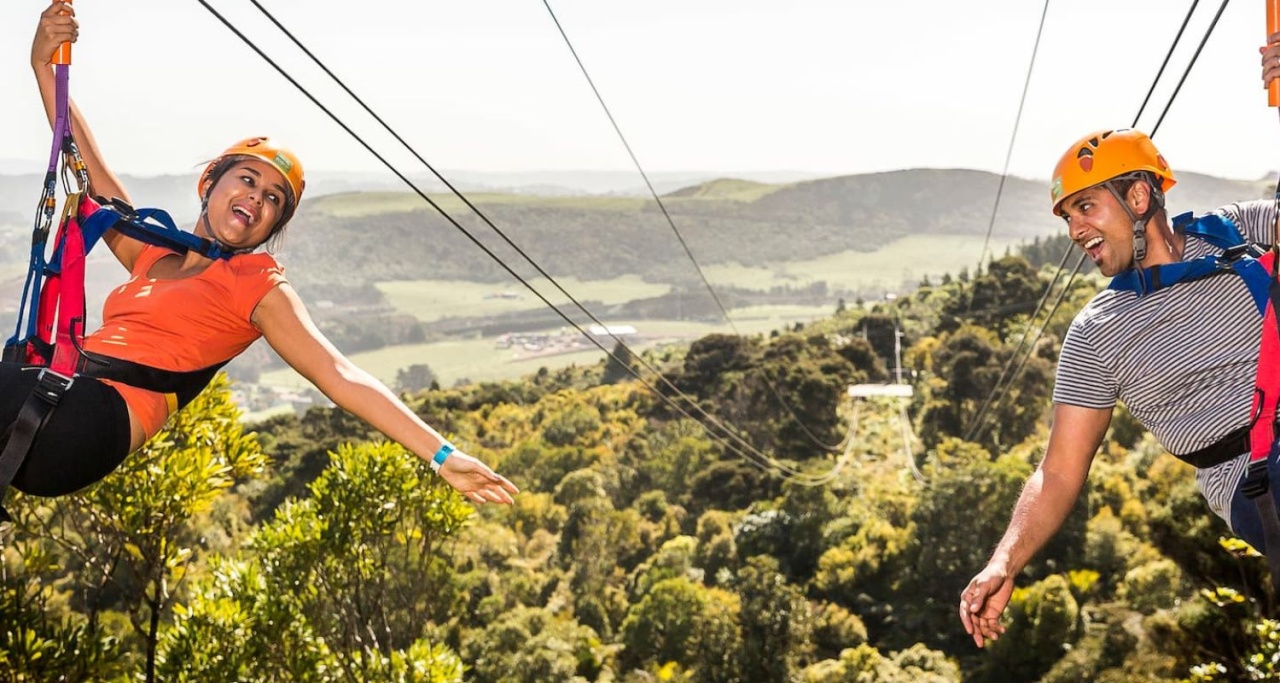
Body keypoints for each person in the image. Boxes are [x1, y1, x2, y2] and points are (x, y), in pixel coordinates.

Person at [3, 2, 518, 508]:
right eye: (247, 179)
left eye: (273, 198)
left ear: (273, 224)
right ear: (210, 184)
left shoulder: (260, 286)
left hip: (83, 424)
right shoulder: (155, 254)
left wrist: (440, 453)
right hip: (51, 402)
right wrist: (44, 66)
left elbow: (339, 375)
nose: (256, 196)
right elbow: (87, 163)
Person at [959, 38, 1280, 648]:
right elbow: (1057, 472)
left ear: (1138, 196)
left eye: (1085, 206)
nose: (1076, 229)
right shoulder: (1097, 334)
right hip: (1259, 477)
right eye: (1067, 217)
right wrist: (1005, 560)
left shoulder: (1236, 230)